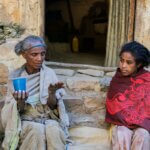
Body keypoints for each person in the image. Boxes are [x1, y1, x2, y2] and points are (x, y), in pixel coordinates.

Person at [1, 35, 68, 150]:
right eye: (34, 54)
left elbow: (53, 107)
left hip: (48, 117)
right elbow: (15, 111)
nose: (39, 58)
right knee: (35, 131)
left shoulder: (49, 73)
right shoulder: (16, 77)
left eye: (42, 54)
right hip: (26, 120)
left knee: (54, 130)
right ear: (24, 55)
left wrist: (52, 93)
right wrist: (20, 102)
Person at [105, 41, 150, 150]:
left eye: (129, 62)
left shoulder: (147, 79)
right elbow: (113, 105)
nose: (123, 66)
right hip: (120, 123)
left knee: (143, 135)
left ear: (138, 64)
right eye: (121, 60)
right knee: (122, 133)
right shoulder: (117, 80)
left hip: (142, 124)